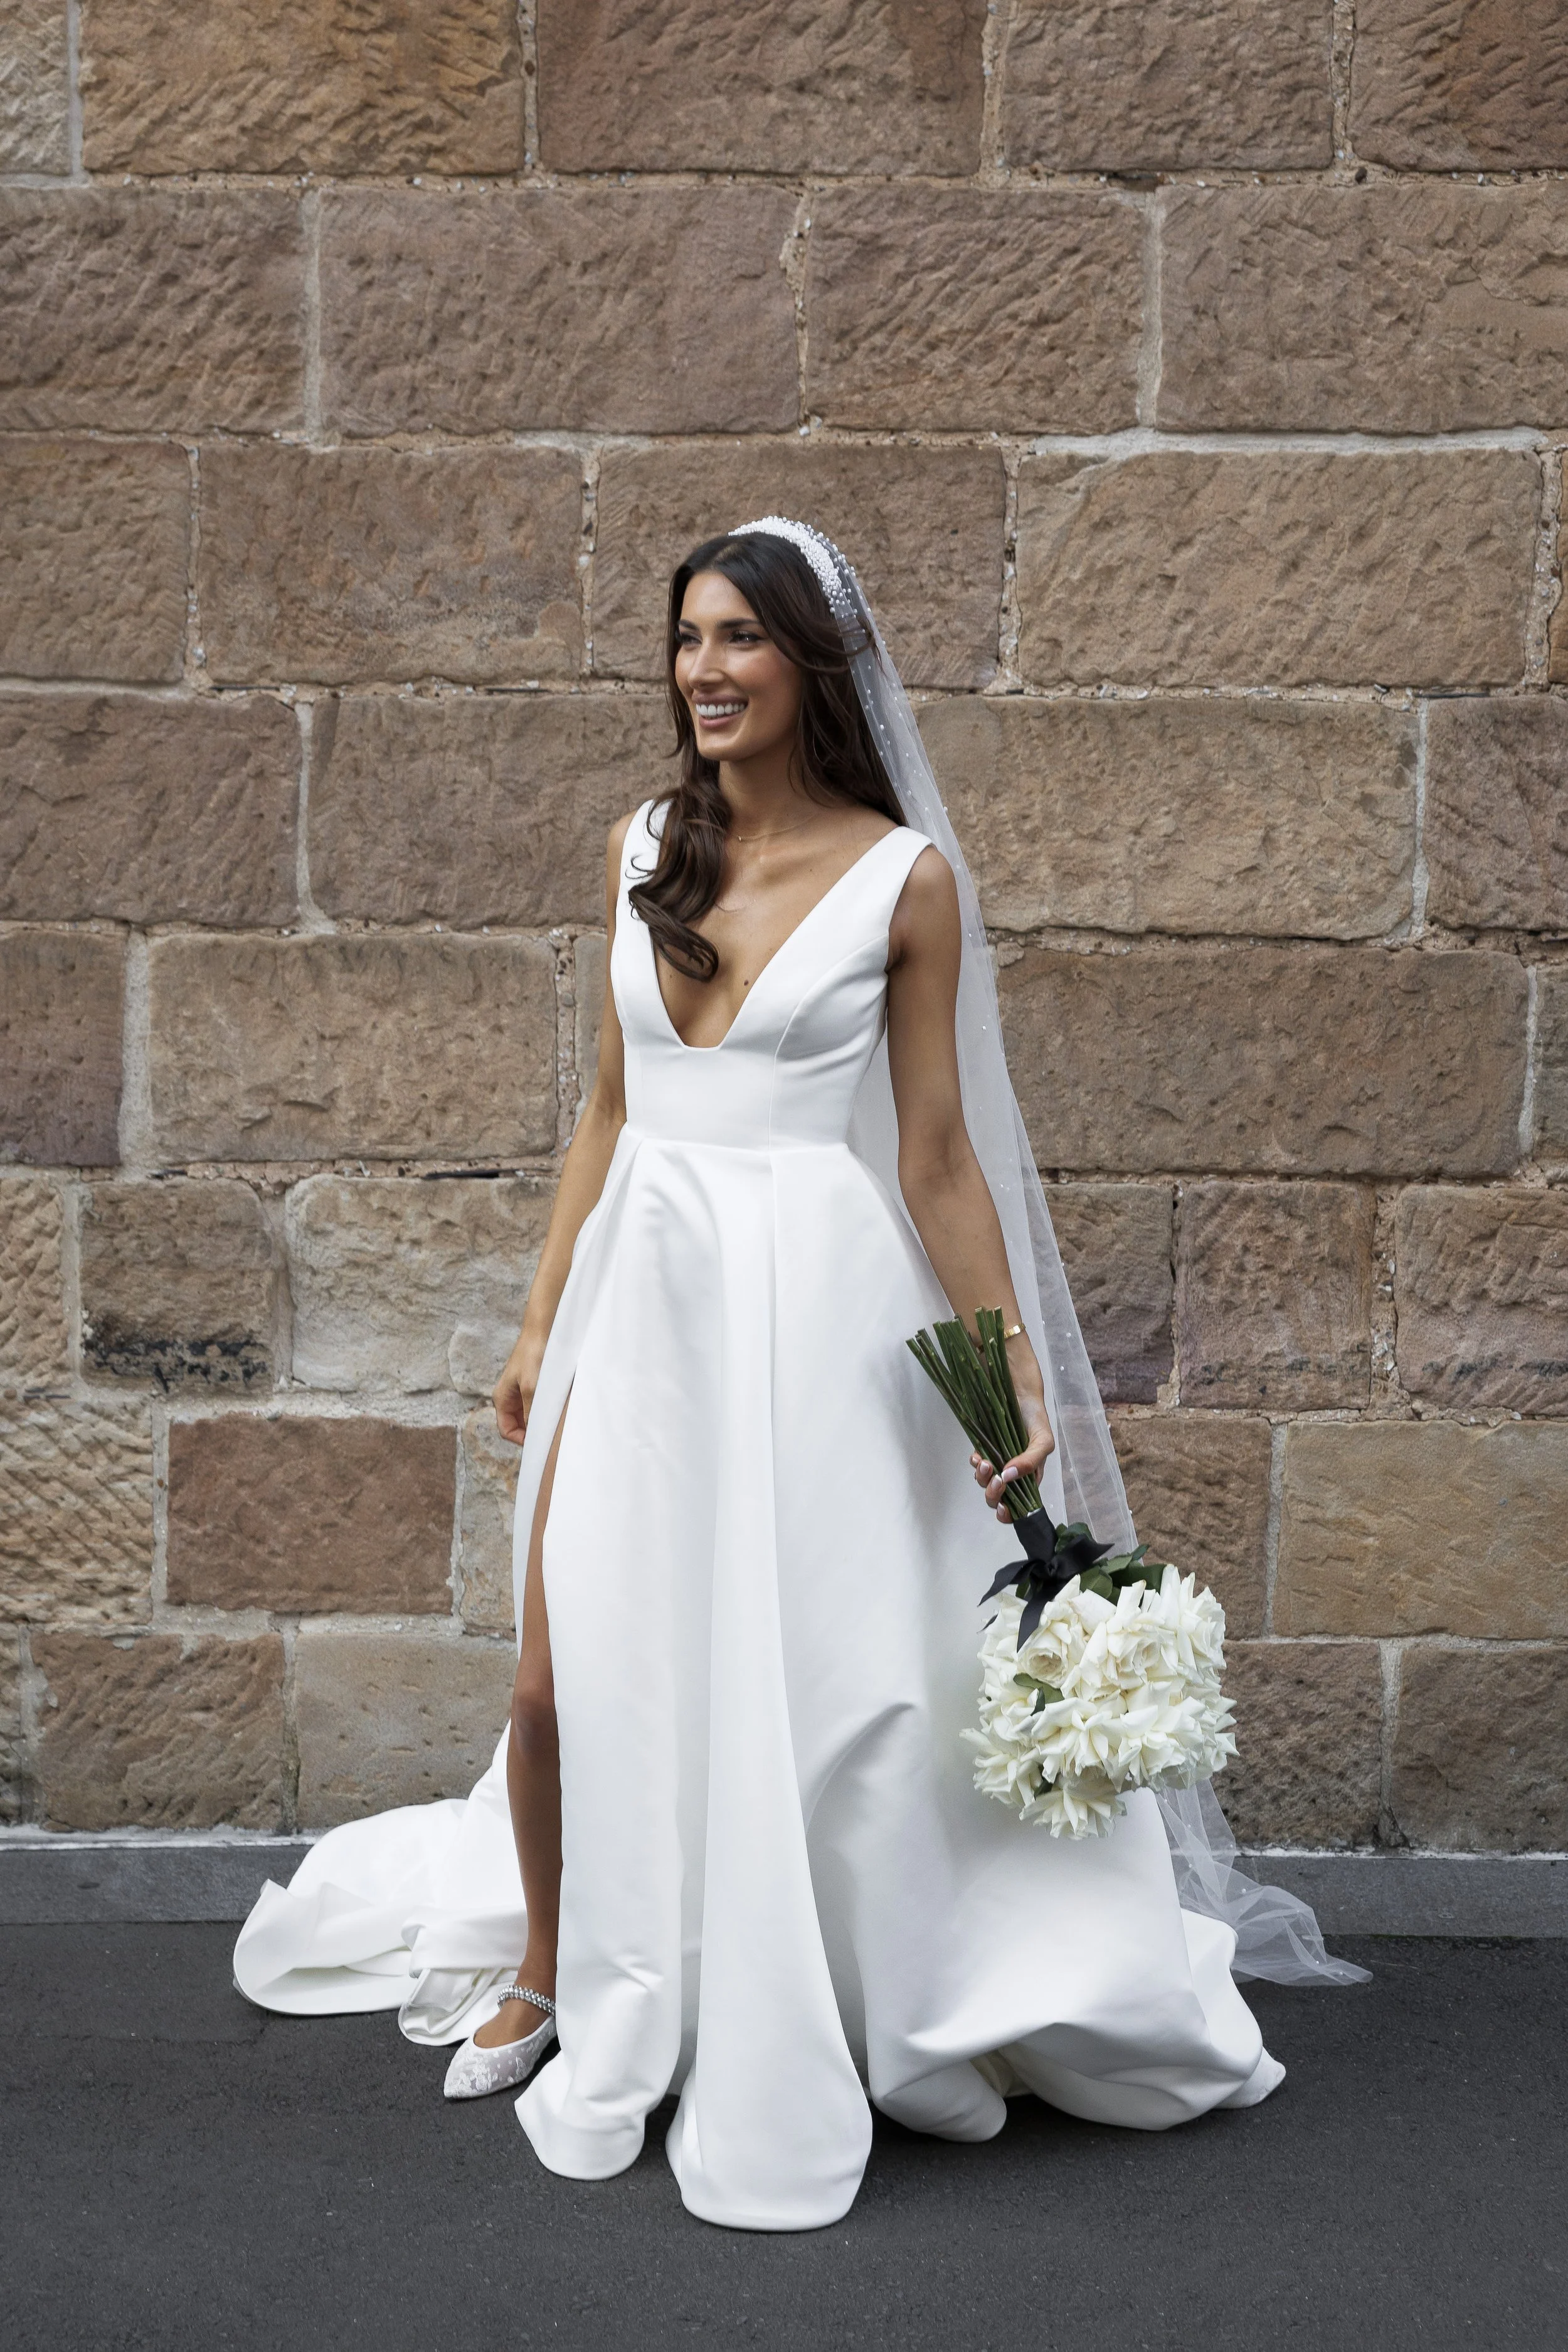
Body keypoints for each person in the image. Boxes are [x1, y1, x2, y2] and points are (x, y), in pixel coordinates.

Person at [235, 519, 1362, 2232]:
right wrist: (542, 1322)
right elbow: (607, 1111)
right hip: (647, 1294)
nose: (704, 668)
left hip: (820, 1310)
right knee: (553, 1677)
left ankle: (825, 1972)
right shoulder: (636, 848)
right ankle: (550, 1968)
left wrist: (1008, 1373)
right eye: (687, 637)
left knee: (825, 1686)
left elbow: (933, 1154)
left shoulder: (903, 877)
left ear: (808, 667)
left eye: (740, 638)